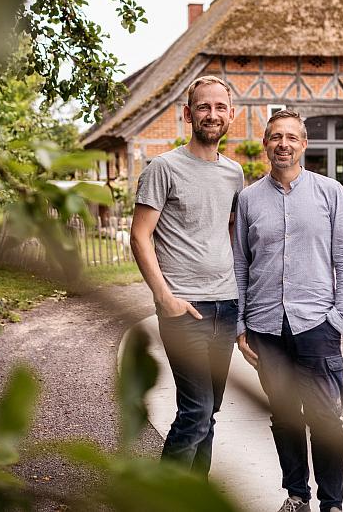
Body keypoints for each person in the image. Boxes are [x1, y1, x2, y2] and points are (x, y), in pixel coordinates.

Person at [233, 109, 343, 512]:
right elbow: (240, 264)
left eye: (291, 137)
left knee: (326, 420)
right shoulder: (249, 199)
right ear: (265, 144)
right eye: (276, 137)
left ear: (304, 144)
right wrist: (241, 325)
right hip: (266, 328)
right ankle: (296, 496)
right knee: (285, 417)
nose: (283, 144)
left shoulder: (330, 193)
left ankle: (332, 503)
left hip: (317, 325)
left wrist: (339, 319)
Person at [129, 75, 245, 478]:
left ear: (231, 115)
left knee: (209, 411)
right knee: (196, 410)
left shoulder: (234, 173)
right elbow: (139, 235)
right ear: (188, 114)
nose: (212, 114)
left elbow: (231, 233)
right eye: (203, 107)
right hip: (185, 308)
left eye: (219, 107)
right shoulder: (164, 168)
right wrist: (164, 297)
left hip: (226, 306)